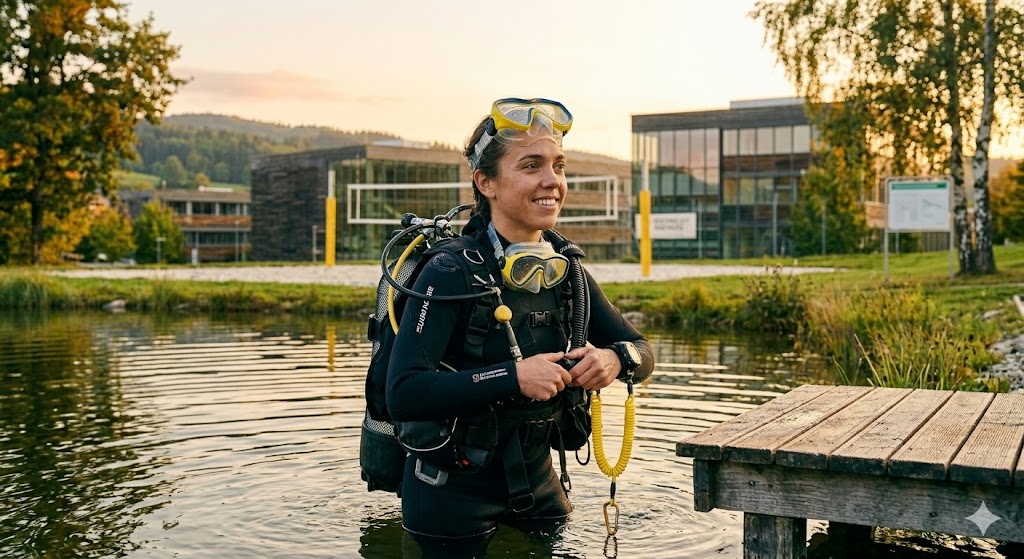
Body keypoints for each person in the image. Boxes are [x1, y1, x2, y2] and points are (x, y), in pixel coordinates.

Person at [385, 97, 655, 556]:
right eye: (531, 166)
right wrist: (512, 377)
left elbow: (641, 350)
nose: (552, 181)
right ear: (485, 181)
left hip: (538, 485)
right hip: (450, 495)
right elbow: (404, 392)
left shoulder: (567, 270)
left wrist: (612, 359)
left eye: (558, 166)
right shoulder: (450, 272)